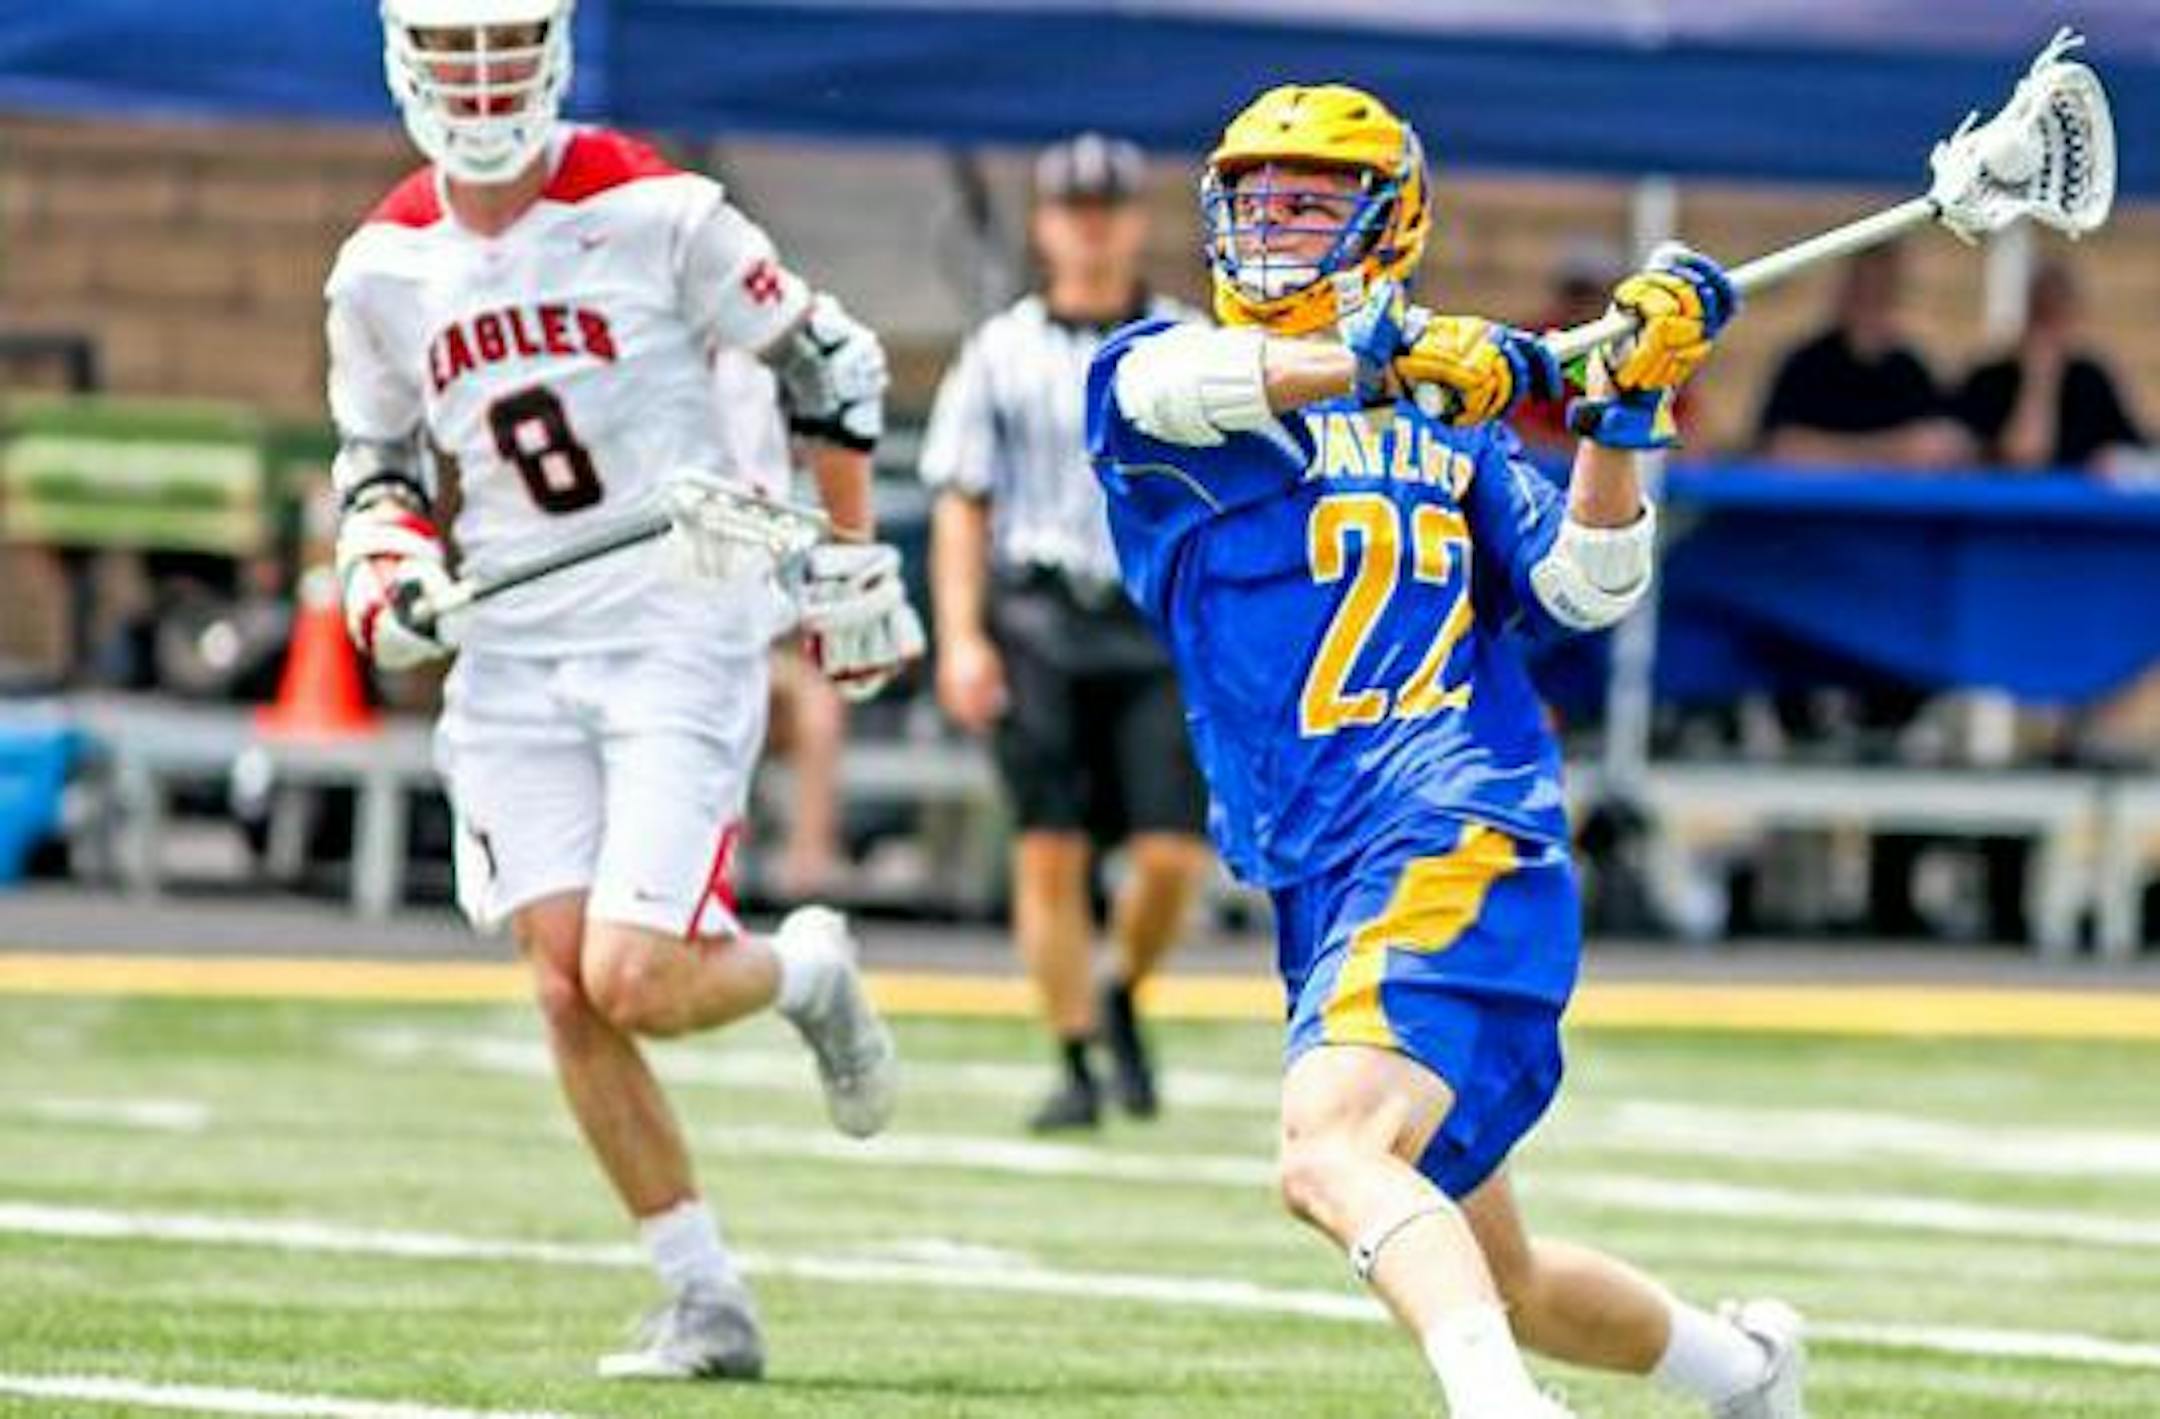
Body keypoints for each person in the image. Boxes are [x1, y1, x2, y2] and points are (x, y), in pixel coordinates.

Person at [1087, 85, 1802, 1418]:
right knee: (1497, 1264)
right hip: (1328, 861)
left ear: (1389, 221)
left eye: (1313, 199)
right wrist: (1384, 358)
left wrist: (1624, 412)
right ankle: (1747, 1371)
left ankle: (1500, 1408)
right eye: (1257, 198)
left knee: (1329, 1149)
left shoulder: (1452, 431)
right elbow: (1189, 383)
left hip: (1446, 820)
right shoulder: (1156, 380)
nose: (1276, 224)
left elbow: (1589, 585)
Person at [325, 0, 917, 1381]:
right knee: (564, 990)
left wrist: (844, 552)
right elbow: (381, 463)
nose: (482, 76)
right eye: (455, 47)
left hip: (673, 619)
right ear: (406, 55)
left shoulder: (660, 209)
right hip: (517, 639)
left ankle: (807, 968)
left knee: (636, 971)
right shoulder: (381, 265)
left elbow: (831, 362)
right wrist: (386, 571)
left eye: (506, 42)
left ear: (556, 48)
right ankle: (702, 1292)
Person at [922, 133, 1215, 1132]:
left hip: (1150, 618)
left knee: (1172, 853)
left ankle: (1123, 989)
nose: (1092, 231)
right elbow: (964, 500)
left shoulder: (1185, 342)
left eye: (1108, 211)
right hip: (1039, 614)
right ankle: (1076, 1053)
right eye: (1073, 212)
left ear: (1135, 222)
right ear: (1046, 225)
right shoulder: (1001, 350)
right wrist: (962, 637)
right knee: (1046, 848)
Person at [1756, 242, 1969, 469]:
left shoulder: (1911, 370)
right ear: (1844, 292)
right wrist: (1890, 451)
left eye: (1882, 291)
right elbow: (1782, 448)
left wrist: (1835, 453)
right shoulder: (1806, 364)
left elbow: (1939, 447)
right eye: (1863, 289)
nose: (1871, 301)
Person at [1955, 260, 2147, 474]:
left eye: (2059, 314)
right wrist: (2038, 380)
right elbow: (2022, 457)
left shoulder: (2091, 381)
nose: (2048, 328)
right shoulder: (1988, 381)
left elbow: (2135, 451)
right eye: (2042, 313)